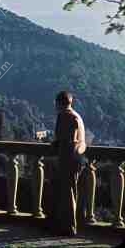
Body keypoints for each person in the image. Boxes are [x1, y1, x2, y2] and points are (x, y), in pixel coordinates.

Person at [51, 90, 87, 236]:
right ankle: (71, 225)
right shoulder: (77, 115)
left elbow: (66, 140)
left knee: (67, 193)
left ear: (59, 103)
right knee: (72, 192)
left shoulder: (64, 115)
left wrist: (54, 145)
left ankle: (69, 227)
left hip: (68, 159)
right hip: (78, 158)